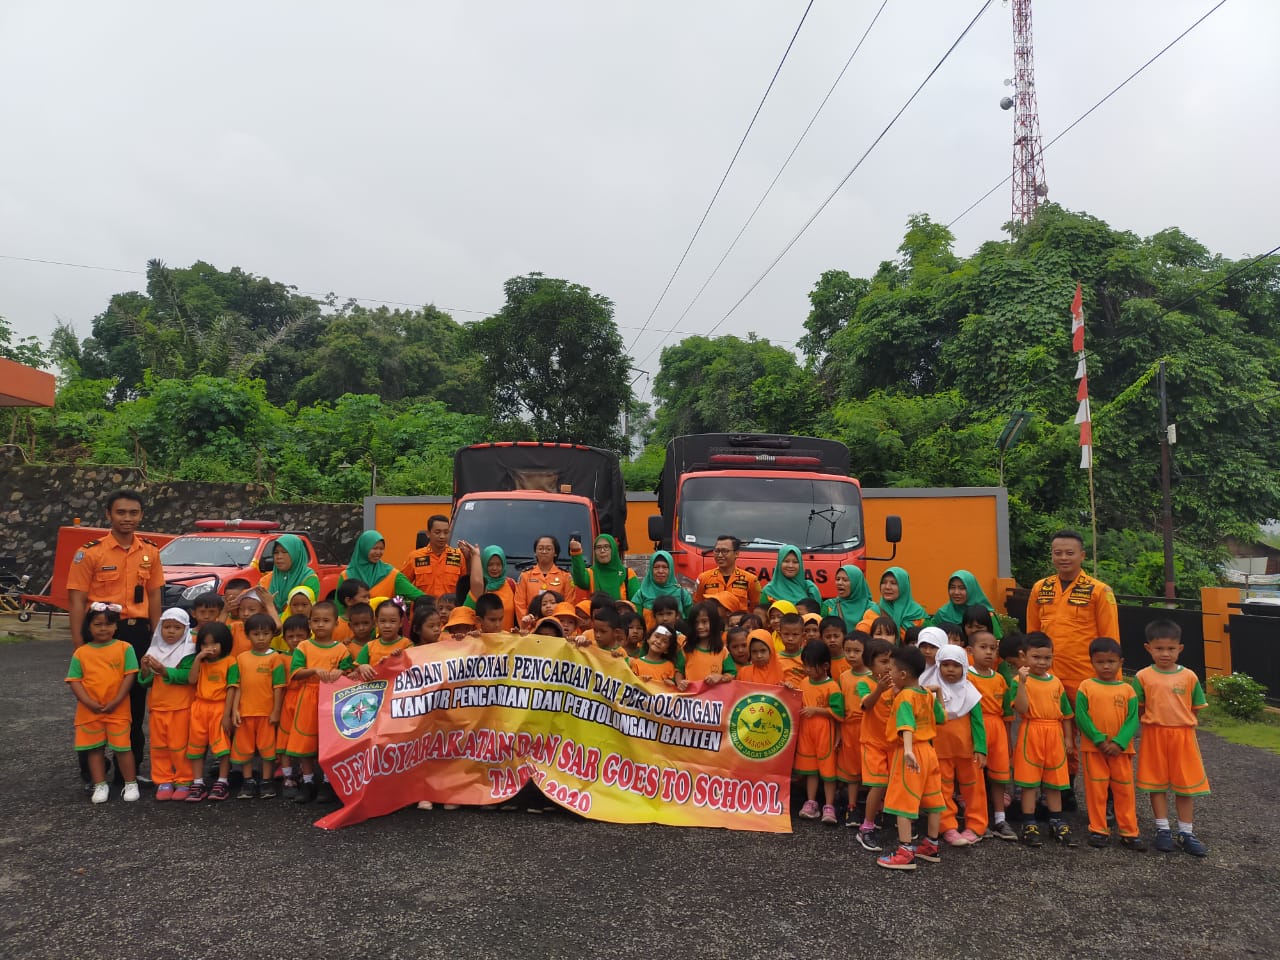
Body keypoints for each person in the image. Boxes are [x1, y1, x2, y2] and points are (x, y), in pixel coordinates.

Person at [66, 489, 165, 786]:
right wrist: (79, 645)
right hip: (100, 633)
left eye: (133, 513)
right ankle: (91, 771)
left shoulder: (150, 551)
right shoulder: (90, 552)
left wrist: (158, 640)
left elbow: (155, 596)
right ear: (108, 514)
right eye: (121, 512)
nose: (127, 518)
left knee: (134, 702)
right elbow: (76, 600)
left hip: (137, 632)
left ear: (141, 515)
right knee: (95, 699)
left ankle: (129, 772)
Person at [1134, 620, 1210, 856]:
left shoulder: (1189, 676)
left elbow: (1195, 708)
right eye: (1159, 648)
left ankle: (1186, 832)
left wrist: (1182, 724)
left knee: (1185, 785)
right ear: (1148, 648)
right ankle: (1162, 829)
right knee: (1156, 783)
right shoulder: (1142, 676)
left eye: (1170, 648)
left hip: (1183, 735)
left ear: (1180, 648)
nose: (1165, 653)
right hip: (1154, 735)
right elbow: (1139, 708)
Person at [1024, 530, 1119, 703]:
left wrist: (1113, 679)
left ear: (1082, 555)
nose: (1063, 558)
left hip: (1084, 675)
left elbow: (1110, 638)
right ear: (1052, 555)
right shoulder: (1040, 588)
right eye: (1058, 553)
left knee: (1086, 720)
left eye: (1069, 553)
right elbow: (1032, 634)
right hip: (1046, 674)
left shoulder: (1099, 591)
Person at [876, 645, 946, 870]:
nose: (890, 673)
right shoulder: (925, 693)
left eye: (892, 669)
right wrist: (939, 693)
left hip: (911, 751)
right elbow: (941, 718)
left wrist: (907, 750)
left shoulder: (905, 696)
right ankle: (931, 845)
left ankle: (905, 853)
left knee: (902, 802)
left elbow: (906, 725)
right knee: (933, 800)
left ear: (903, 674)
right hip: (929, 752)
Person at [1075, 637, 1144, 850]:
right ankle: (1098, 829)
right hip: (1094, 750)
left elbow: (1132, 719)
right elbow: (1081, 716)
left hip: (1120, 752)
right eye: (1100, 661)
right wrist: (1098, 739)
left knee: (1124, 791)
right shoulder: (1086, 686)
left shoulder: (1128, 690)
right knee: (1097, 790)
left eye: (1111, 661)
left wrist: (1119, 743)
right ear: (1092, 662)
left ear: (1120, 662)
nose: (1106, 666)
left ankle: (1129, 832)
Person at [67, 604, 140, 803]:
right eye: (97, 624)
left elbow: (130, 676)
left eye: (108, 624)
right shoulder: (81, 652)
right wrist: (88, 702)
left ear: (116, 626)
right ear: (88, 627)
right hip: (89, 710)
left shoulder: (125, 648)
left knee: (123, 747)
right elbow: (74, 680)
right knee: (94, 748)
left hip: (118, 708)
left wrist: (117, 700)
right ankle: (100, 784)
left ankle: (130, 783)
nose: (103, 628)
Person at [1010, 632, 1077, 847]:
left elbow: (1066, 714)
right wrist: (1022, 683)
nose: (1042, 662)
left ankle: (1056, 819)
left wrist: (1068, 738)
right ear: (1024, 656)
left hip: (1054, 733)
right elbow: (1022, 709)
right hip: (1032, 730)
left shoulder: (1056, 682)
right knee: (1029, 781)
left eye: (1047, 658)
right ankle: (1029, 822)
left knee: (1055, 780)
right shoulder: (1018, 681)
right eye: (1036, 657)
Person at [285, 601, 353, 804]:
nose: (320, 624)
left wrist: (341, 672)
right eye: (316, 620)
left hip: (332, 699)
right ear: (310, 623)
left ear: (336, 623)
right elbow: (296, 673)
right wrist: (314, 670)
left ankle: (327, 781)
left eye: (326, 620)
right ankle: (307, 782)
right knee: (306, 742)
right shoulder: (304, 646)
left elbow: (349, 672)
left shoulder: (341, 649)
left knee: (329, 742)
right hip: (308, 696)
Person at [931, 644, 988, 847]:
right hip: (940, 750)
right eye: (945, 665)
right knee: (942, 789)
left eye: (956, 665)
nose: (950, 669)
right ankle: (947, 826)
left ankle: (976, 826)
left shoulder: (971, 693)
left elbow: (978, 723)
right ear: (938, 666)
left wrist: (981, 748)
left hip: (968, 751)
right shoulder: (931, 690)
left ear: (964, 667)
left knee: (974, 789)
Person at [137, 607, 196, 801]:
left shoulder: (189, 651)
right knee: (159, 746)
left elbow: (189, 676)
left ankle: (184, 779)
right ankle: (163, 779)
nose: (171, 631)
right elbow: (145, 682)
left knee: (180, 746)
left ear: (185, 629)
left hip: (181, 706)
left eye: (177, 628)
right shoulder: (154, 650)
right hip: (158, 706)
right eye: (167, 627)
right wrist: (145, 670)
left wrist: (164, 671)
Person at [227, 613, 286, 800]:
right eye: (256, 634)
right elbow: (237, 686)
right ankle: (248, 781)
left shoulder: (275, 658)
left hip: (266, 713)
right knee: (244, 748)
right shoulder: (241, 658)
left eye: (265, 634)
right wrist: (235, 710)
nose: (261, 638)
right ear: (247, 635)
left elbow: (278, 688)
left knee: (267, 749)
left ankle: (267, 781)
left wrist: (276, 711)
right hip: (245, 713)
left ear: (272, 635)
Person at [967, 630, 1016, 840]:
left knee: (999, 775)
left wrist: (1007, 739)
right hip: (975, 727)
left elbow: (1007, 712)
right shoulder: (966, 676)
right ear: (970, 651)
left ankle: (999, 818)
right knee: (976, 775)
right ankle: (978, 820)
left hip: (997, 729)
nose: (989, 652)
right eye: (983, 647)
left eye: (993, 648)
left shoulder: (1000, 679)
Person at [795, 640, 846, 825]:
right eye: (805, 665)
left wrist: (816, 710)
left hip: (826, 732)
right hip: (807, 732)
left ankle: (829, 805)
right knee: (811, 769)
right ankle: (811, 802)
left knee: (828, 769)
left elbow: (839, 712)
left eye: (811, 666)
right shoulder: (803, 682)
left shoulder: (832, 686)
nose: (807, 669)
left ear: (825, 666)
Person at [184, 622, 236, 803]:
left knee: (222, 747)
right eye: (205, 644)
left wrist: (227, 715)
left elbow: (232, 688)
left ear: (224, 643)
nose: (209, 648)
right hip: (199, 707)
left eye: (214, 643)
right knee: (196, 746)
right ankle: (198, 782)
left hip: (219, 707)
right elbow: (192, 680)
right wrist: (198, 659)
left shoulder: (230, 661)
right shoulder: (201, 662)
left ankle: (222, 781)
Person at [855, 638, 896, 852]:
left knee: (895, 783)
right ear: (870, 664)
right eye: (883, 661)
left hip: (894, 743)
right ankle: (866, 827)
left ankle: (891, 818)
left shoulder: (897, 684)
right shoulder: (864, 683)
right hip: (873, 743)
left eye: (891, 661)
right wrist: (880, 689)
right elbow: (866, 705)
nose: (889, 666)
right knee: (878, 783)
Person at [836, 632, 871, 826]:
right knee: (851, 770)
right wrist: (839, 732)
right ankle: (852, 806)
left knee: (871, 767)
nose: (851, 655)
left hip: (868, 728)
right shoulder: (843, 676)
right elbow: (840, 707)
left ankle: (876, 807)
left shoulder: (873, 677)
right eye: (847, 650)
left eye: (857, 651)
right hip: (849, 728)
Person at [339, 530, 424, 609]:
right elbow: (339, 609)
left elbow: (418, 596)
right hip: (355, 620)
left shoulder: (392, 575)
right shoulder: (346, 575)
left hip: (384, 620)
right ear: (363, 548)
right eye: (374, 548)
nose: (378, 552)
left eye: (381, 549)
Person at [275, 613, 311, 799]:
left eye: (300, 636)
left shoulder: (311, 655)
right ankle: (288, 777)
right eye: (291, 636)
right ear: (284, 639)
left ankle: (306, 775)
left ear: (308, 635)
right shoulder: (281, 658)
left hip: (306, 700)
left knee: (304, 740)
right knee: (284, 739)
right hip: (288, 700)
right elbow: (279, 686)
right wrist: (276, 709)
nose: (295, 640)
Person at [400, 515, 465, 599]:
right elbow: (402, 585)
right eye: (437, 532)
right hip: (424, 606)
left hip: (450, 607)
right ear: (428, 533)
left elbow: (466, 586)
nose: (442, 536)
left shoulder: (459, 556)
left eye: (446, 532)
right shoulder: (415, 557)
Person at [513, 536, 576, 622]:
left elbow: (569, 604)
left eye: (548, 549)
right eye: (540, 548)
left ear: (555, 553)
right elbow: (520, 604)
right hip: (531, 626)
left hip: (557, 625)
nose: (544, 551)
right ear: (535, 552)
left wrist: (559, 625)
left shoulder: (565, 576)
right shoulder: (525, 575)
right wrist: (527, 624)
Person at [692, 536, 761, 611]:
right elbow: (697, 604)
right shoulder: (703, 578)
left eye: (725, 551)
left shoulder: (751, 579)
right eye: (717, 551)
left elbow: (756, 606)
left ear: (736, 553)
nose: (720, 555)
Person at [932, 570, 1004, 639]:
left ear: (971, 589)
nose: (956, 592)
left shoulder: (985, 614)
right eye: (952, 587)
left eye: (962, 588)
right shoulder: (942, 614)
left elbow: (997, 641)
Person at [859, 567, 927, 639]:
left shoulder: (918, 614)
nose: (887, 587)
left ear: (904, 586)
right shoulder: (872, 613)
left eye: (893, 583)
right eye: (884, 582)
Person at [259, 535, 321, 613]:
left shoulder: (309, 578)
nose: (279, 556)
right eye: (276, 552)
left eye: (284, 552)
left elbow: (302, 613)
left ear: (296, 553)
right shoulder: (266, 580)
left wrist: (270, 608)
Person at [463, 543, 517, 632]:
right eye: (490, 564)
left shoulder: (511, 584)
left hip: (506, 639)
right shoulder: (480, 587)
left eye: (498, 564)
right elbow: (465, 616)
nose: (494, 568)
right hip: (483, 639)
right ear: (484, 564)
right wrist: (475, 556)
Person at [632, 550, 692, 630]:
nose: (660, 571)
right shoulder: (641, 594)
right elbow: (636, 624)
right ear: (651, 569)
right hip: (649, 638)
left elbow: (691, 623)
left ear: (671, 569)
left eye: (665, 567)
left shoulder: (682, 594)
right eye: (656, 567)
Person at [570, 534, 637, 602]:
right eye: (598, 547)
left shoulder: (628, 574)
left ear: (613, 549)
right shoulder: (591, 573)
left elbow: (636, 602)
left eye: (606, 546)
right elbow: (579, 580)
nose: (602, 550)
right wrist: (576, 552)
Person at [682, 601, 735, 683]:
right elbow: (678, 671)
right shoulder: (686, 648)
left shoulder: (722, 651)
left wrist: (720, 677)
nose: (700, 626)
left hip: (714, 691)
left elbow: (732, 673)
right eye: (696, 622)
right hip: (691, 691)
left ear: (714, 623)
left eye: (704, 622)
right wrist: (680, 683)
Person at [822, 565, 875, 633]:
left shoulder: (872, 608)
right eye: (837, 579)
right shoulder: (828, 605)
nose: (839, 583)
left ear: (857, 583)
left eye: (845, 580)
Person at [776, 612, 807, 687]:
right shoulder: (775, 659)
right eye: (786, 634)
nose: (790, 638)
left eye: (795, 634)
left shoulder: (807, 657)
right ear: (780, 635)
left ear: (803, 636)